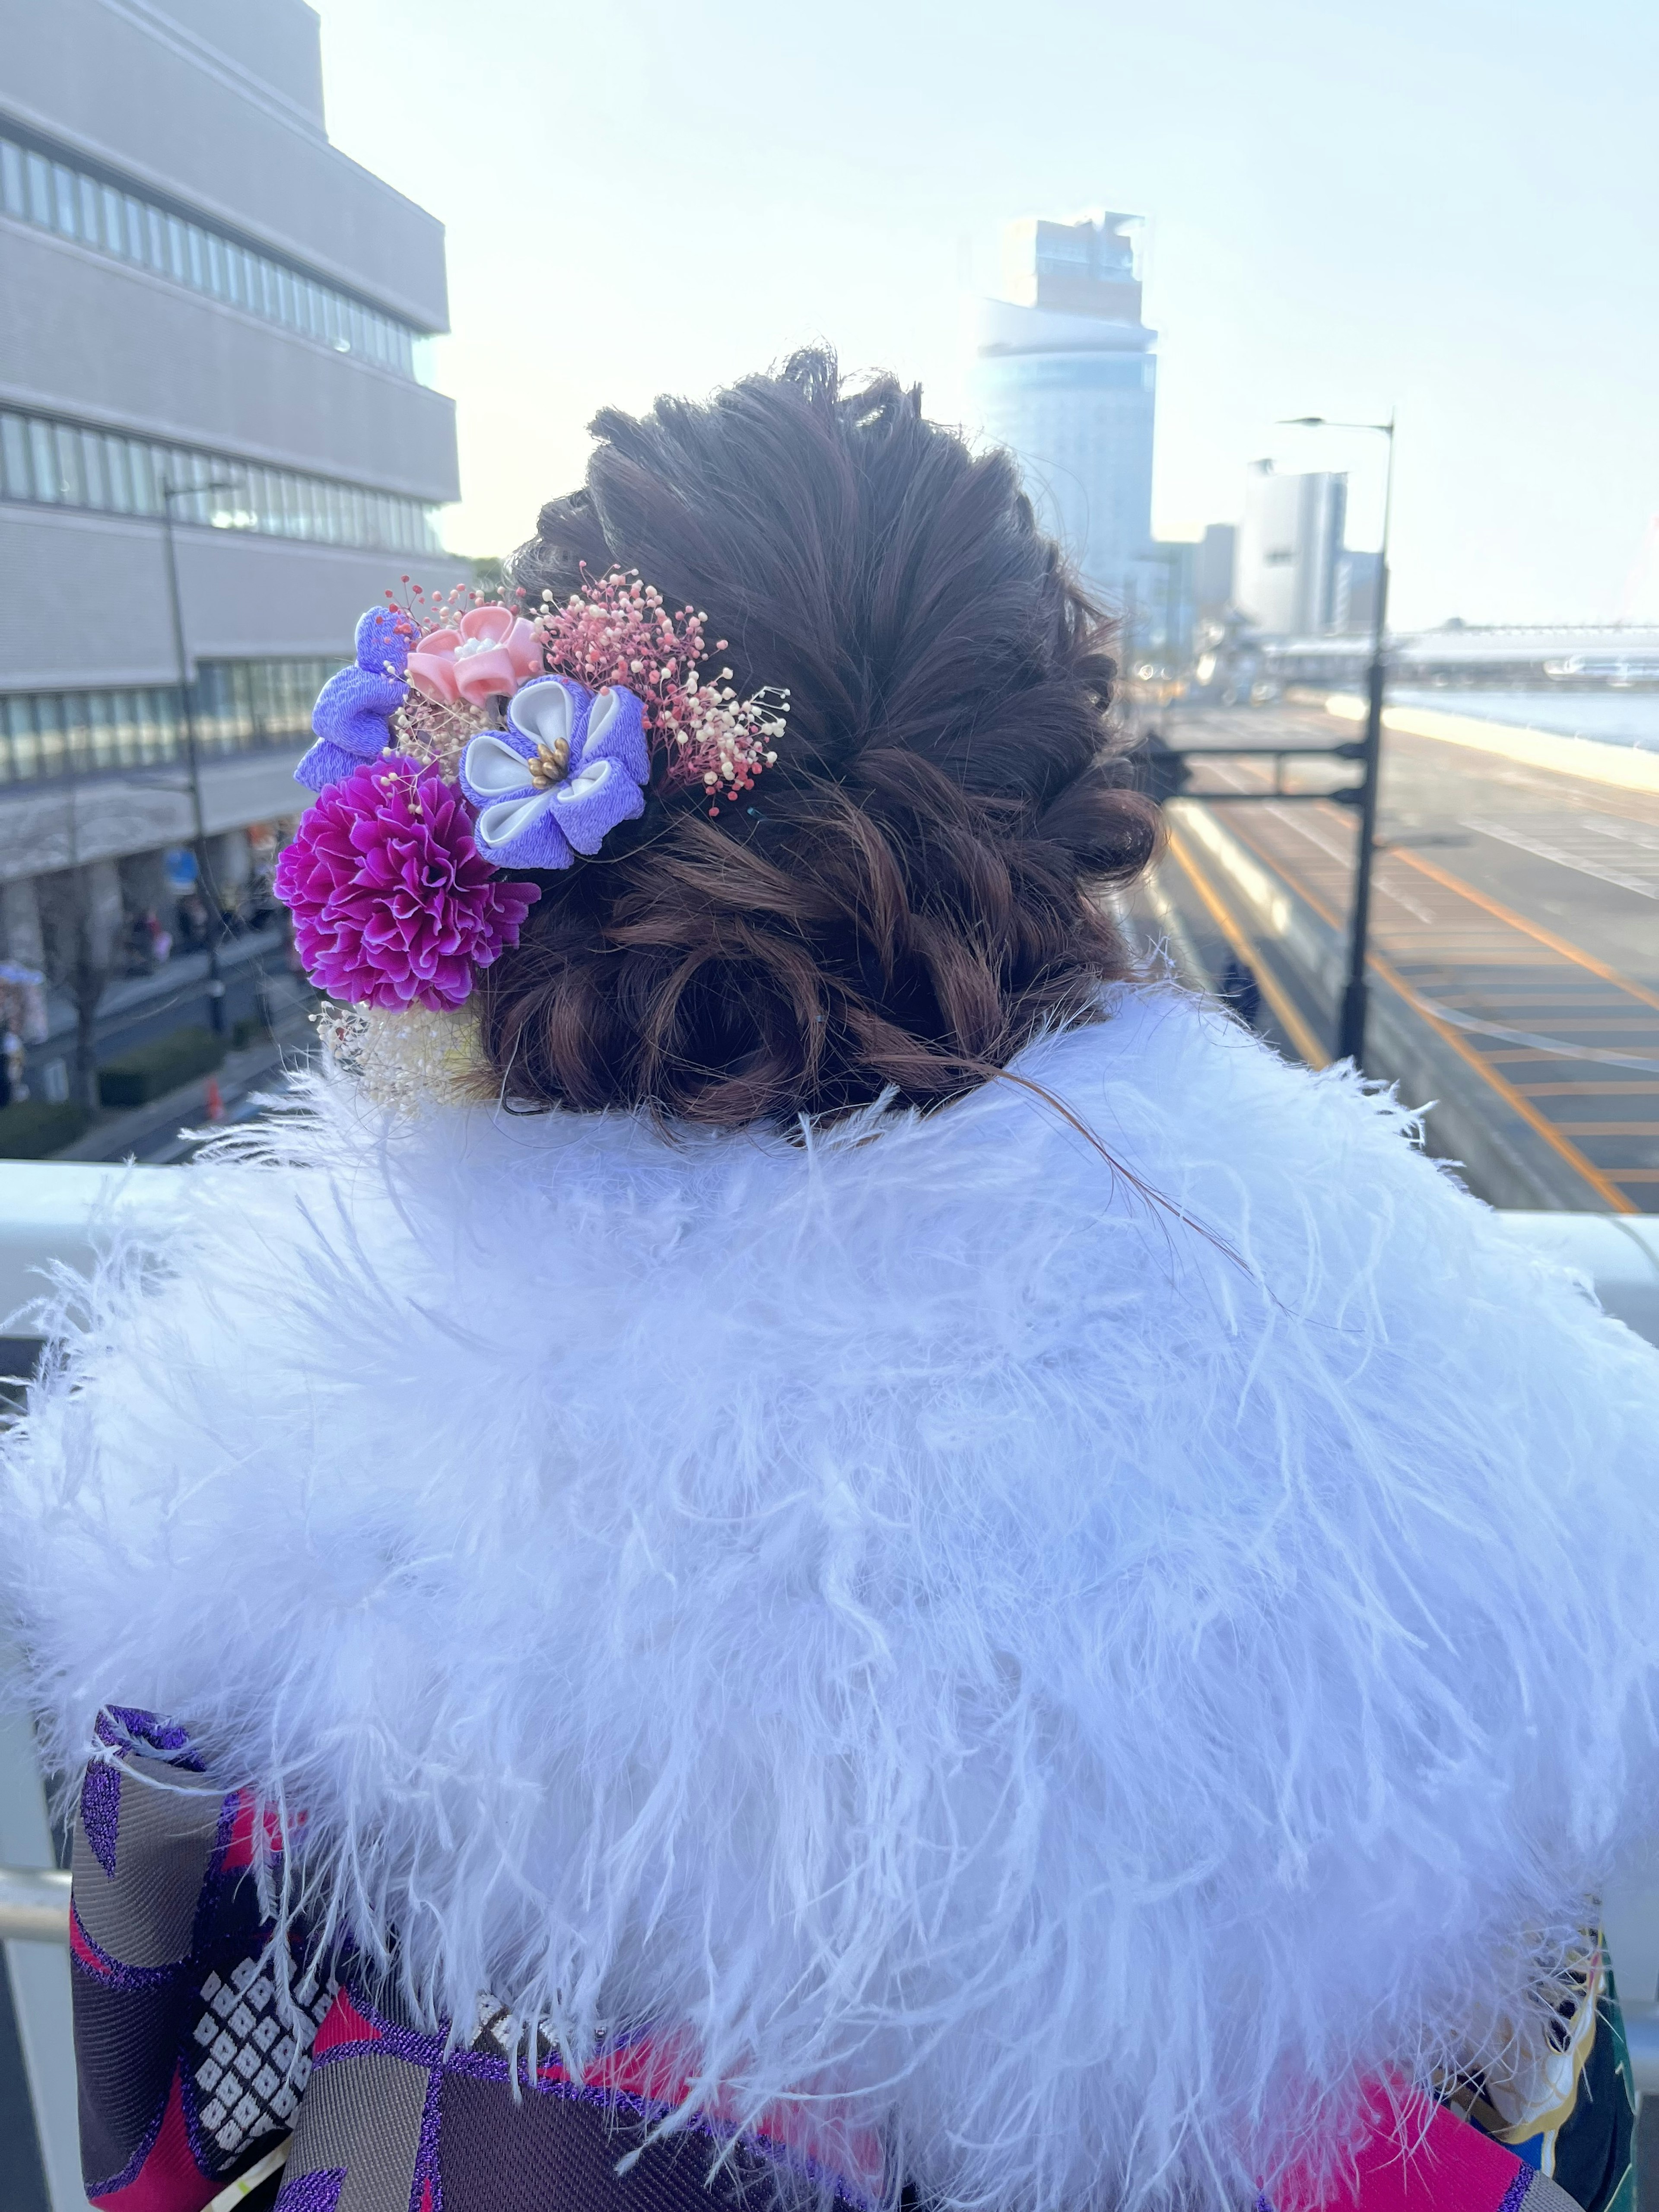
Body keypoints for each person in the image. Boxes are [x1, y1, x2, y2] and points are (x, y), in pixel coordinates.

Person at [3, 353, 1658, 2212]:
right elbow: (1542, 2114)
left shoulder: (264, 1458)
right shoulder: (1421, 1424)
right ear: (1069, 800)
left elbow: (174, 2116)